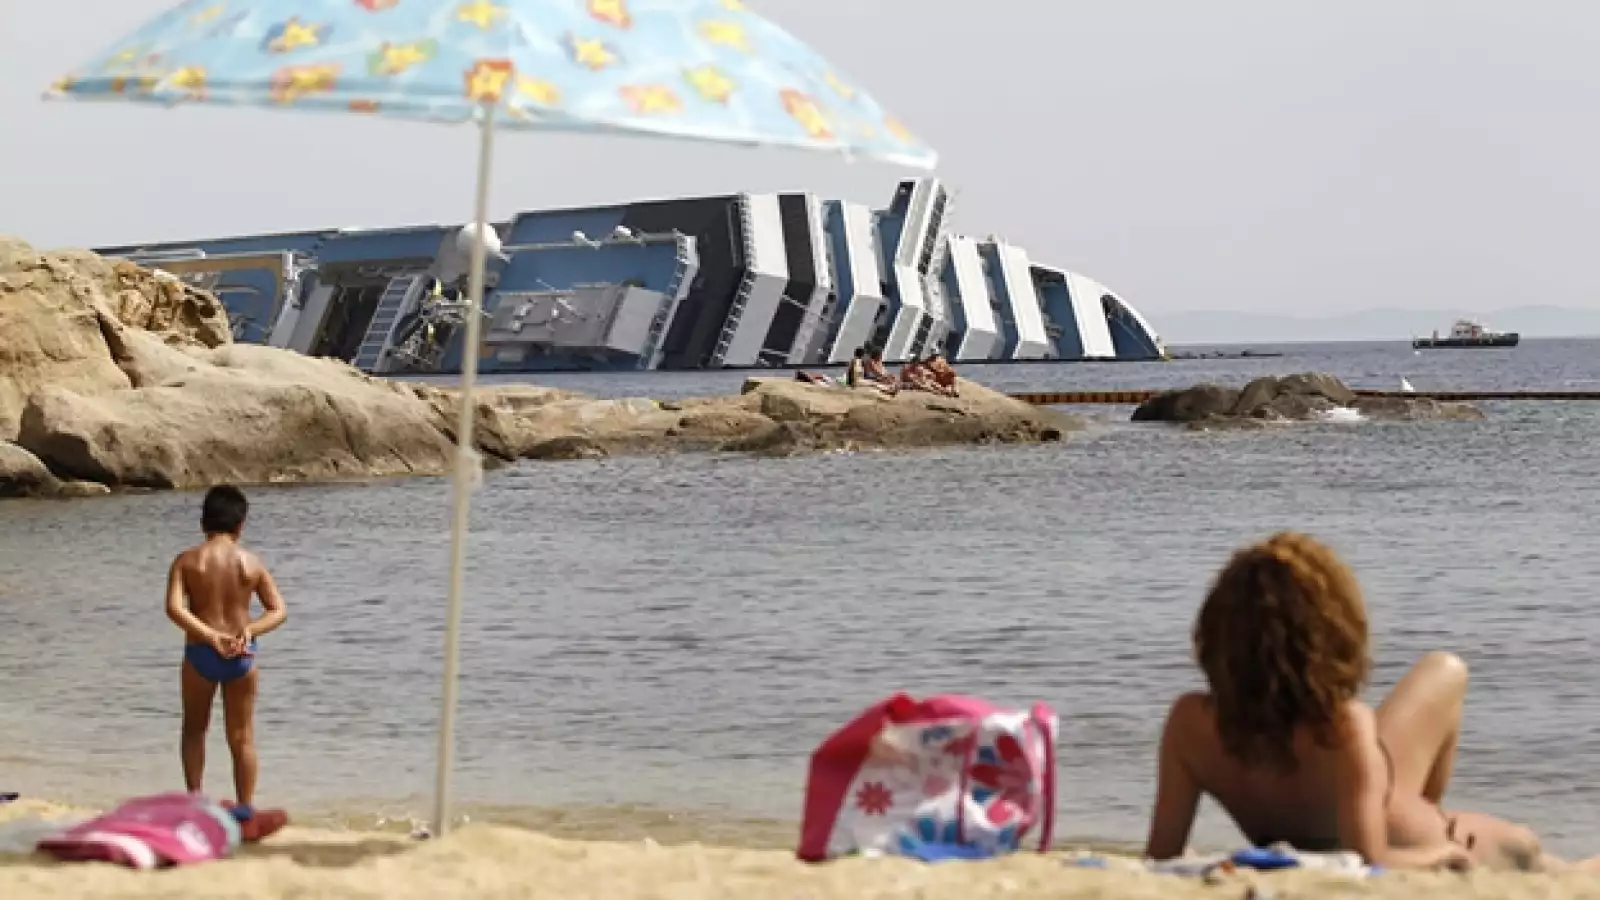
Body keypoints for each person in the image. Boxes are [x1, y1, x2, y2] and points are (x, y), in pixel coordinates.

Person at [1143, 531, 1567, 871]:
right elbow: (1369, 862)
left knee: (1445, 669)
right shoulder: (1343, 726)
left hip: (1368, 808)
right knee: (1528, 848)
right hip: (1418, 836)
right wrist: (1443, 855)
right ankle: (1429, 812)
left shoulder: (1190, 722)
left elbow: (1162, 854)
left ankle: (1422, 807)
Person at [165, 485, 287, 811]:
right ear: (240, 524)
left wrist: (208, 635)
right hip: (241, 655)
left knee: (194, 729)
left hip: (200, 653)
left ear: (203, 522)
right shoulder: (251, 563)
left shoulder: (188, 561)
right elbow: (279, 610)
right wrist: (250, 629)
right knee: (242, 736)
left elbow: (175, 609)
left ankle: (194, 800)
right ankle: (245, 807)